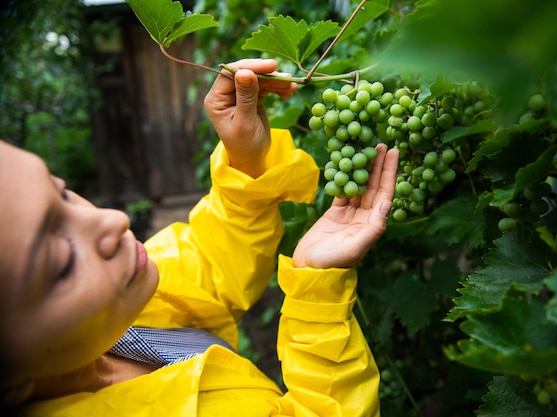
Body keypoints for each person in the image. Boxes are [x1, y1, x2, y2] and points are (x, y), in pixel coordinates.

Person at [0, 58, 399, 416]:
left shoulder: (117, 316)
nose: (112, 220)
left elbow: (207, 268)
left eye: (64, 193)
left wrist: (247, 165)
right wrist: (321, 304)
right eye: (61, 259)